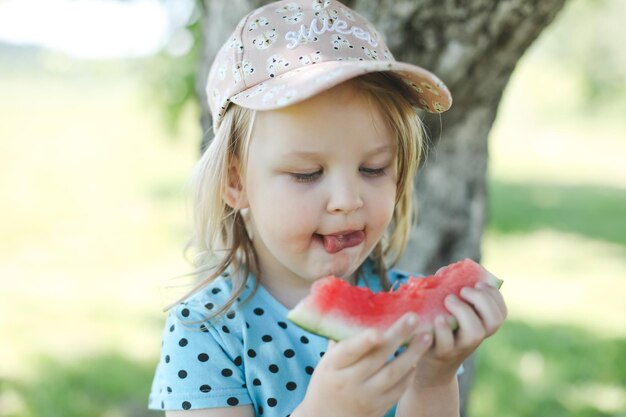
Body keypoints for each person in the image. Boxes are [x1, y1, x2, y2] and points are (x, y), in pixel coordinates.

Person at [148, 0, 507, 416]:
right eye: (307, 173)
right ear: (236, 181)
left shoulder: (407, 312)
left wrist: (434, 378)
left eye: (373, 169)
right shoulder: (205, 332)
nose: (347, 201)